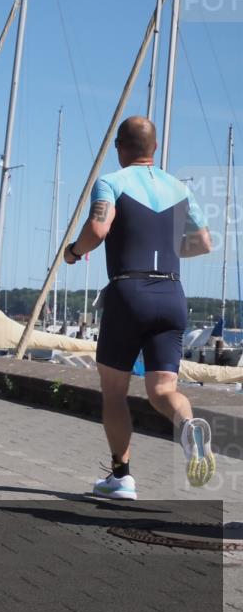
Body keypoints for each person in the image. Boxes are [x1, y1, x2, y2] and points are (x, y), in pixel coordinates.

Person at [64, 116, 215, 499]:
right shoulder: (180, 188)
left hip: (129, 292)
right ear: (156, 148)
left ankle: (121, 477)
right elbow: (203, 243)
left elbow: (98, 230)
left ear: (120, 147)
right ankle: (188, 427)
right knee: (164, 389)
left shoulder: (112, 181)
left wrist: (74, 252)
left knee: (114, 391)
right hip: (172, 294)